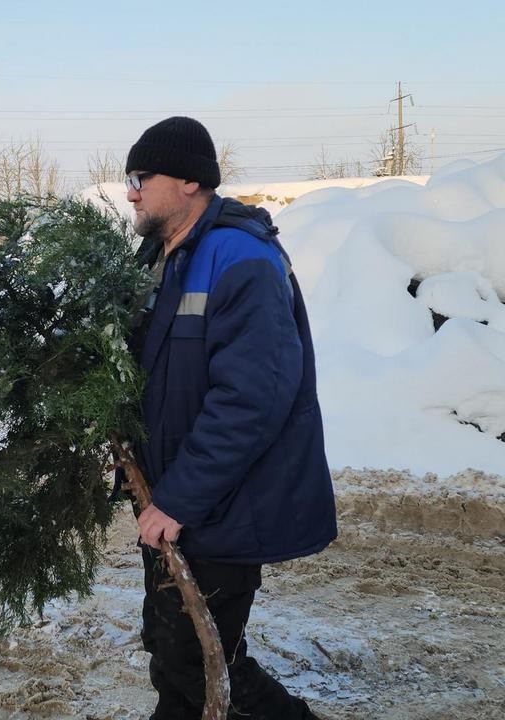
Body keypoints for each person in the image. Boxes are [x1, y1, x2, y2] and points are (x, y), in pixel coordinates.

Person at [122, 116, 337, 720]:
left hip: (222, 504)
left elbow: (253, 398)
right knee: (176, 655)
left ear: (190, 180)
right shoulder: (162, 257)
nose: (130, 190)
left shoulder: (239, 257)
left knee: (203, 662)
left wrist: (180, 499)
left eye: (141, 176)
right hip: (175, 501)